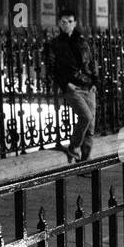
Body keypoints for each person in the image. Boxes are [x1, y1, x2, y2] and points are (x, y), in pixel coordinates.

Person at [47, 10, 98, 164]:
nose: (66, 24)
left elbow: (92, 61)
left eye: (69, 21)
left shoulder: (83, 41)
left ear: (75, 23)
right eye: (63, 22)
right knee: (86, 117)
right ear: (59, 24)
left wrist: (95, 82)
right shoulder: (54, 44)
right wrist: (65, 85)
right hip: (72, 88)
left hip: (88, 86)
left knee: (91, 127)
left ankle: (85, 160)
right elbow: (52, 69)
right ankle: (74, 147)